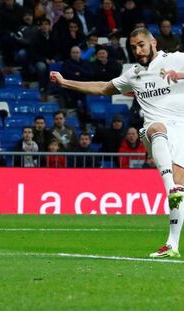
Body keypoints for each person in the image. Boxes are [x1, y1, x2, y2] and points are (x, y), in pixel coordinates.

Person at [50, 27, 184, 258]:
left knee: (180, 189)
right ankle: (169, 186)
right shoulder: (133, 74)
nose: (138, 50)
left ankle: (172, 244)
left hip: (181, 131)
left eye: (141, 44)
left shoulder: (176, 59)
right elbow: (102, 87)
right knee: (156, 128)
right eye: (133, 47)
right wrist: (64, 83)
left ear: (153, 42)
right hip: (156, 133)